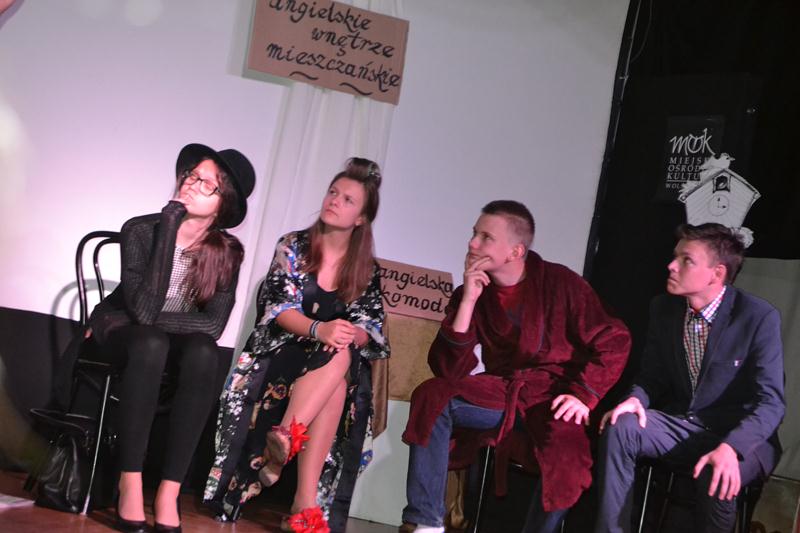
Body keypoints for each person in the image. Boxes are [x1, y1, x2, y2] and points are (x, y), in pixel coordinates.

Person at [401, 200, 631, 533]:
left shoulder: (561, 283)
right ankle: (427, 523)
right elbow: (448, 370)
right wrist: (468, 301)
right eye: (474, 233)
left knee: (569, 460)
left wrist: (583, 394)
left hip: (553, 396)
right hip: (502, 392)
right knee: (433, 395)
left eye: (485, 237)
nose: (472, 243)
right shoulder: (474, 292)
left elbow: (616, 338)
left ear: (516, 251)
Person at [205, 158, 390, 533]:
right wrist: (321, 329)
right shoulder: (293, 245)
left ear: (361, 218)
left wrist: (349, 333)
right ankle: (303, 503)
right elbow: (278, 309)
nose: (334, 200)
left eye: (347, 199)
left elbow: (370, 326)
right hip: (279, 352)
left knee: (341, 360)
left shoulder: (366, 268)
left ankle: (288, 440)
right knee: (337, 365)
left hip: (328, 361)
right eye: (333, 192)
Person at [86, 143, 256, 533]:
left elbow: (212, 326)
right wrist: (169, 224)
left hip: (166, 334)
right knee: (151, 342)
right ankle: (130, 482)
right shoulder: (141, 230)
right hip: (123, 333)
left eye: (207, 183)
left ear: (223, 204)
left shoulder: (227, 251)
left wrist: (158, 323)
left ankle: (169, 490)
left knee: (204, 353)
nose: (192, 184)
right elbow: (144, 312)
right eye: (192, 175)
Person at [594, 223, 785, 533]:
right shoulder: (664, 308)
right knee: (622, 424)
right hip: (685, 425)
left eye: (686, 260)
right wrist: (635, 399)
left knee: (717, 471)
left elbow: (771, 403)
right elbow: (652, 376)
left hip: (742, 437)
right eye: (675, 257)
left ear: (716, 274)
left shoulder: (757, 316)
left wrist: (731, 447)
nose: (671, 266)